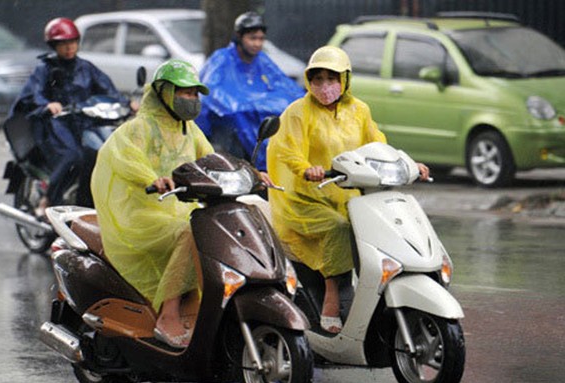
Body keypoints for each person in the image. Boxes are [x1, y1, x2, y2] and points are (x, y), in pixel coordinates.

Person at [266, 46, 430, 334]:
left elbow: (377, 144)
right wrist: (307, 168)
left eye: (332, 78)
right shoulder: (297, 113)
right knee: (339, 228)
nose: (324, 86)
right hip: (305, 198)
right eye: (317, 79)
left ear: (345, 80)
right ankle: (331, 298)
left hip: (349, 196)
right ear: (308, 81)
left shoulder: (359, 110)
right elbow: (289, 151)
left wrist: (408, 164)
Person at [90, 59, 213, 349]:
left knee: (208, 228)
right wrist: (151, 178)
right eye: (185, 93)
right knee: (190, 232)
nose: (192, 100)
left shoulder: (189, 129)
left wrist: (247, 172)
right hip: (140, 215)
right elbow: (122, 158)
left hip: (177, 209)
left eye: (195, 94)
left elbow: (210, 159)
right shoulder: (137, 128)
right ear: (164, 92)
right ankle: (168, 315)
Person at [9, 17, 136, 213]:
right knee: (72, 157)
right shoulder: (45, 69)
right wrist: (48, 105)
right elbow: (34, 94)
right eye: (63, 44)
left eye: (72, 42)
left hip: (86, 122)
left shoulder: (86, 68)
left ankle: (87, 204)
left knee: (103, 154)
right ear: (54, 45)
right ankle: (49, 199)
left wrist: (127, 103)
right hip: (55, 126)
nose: (69, 47)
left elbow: (107, 89)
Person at [195, 11, 304, 171]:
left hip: (254, 125)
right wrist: (242, 105)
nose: (257, 44)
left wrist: (301, 101)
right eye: (252, 38)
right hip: (227, 130)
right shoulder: (222, 59)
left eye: (261, 39)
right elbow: (212, 92)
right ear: (239, 37)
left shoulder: (262, 60)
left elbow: (284, 84)